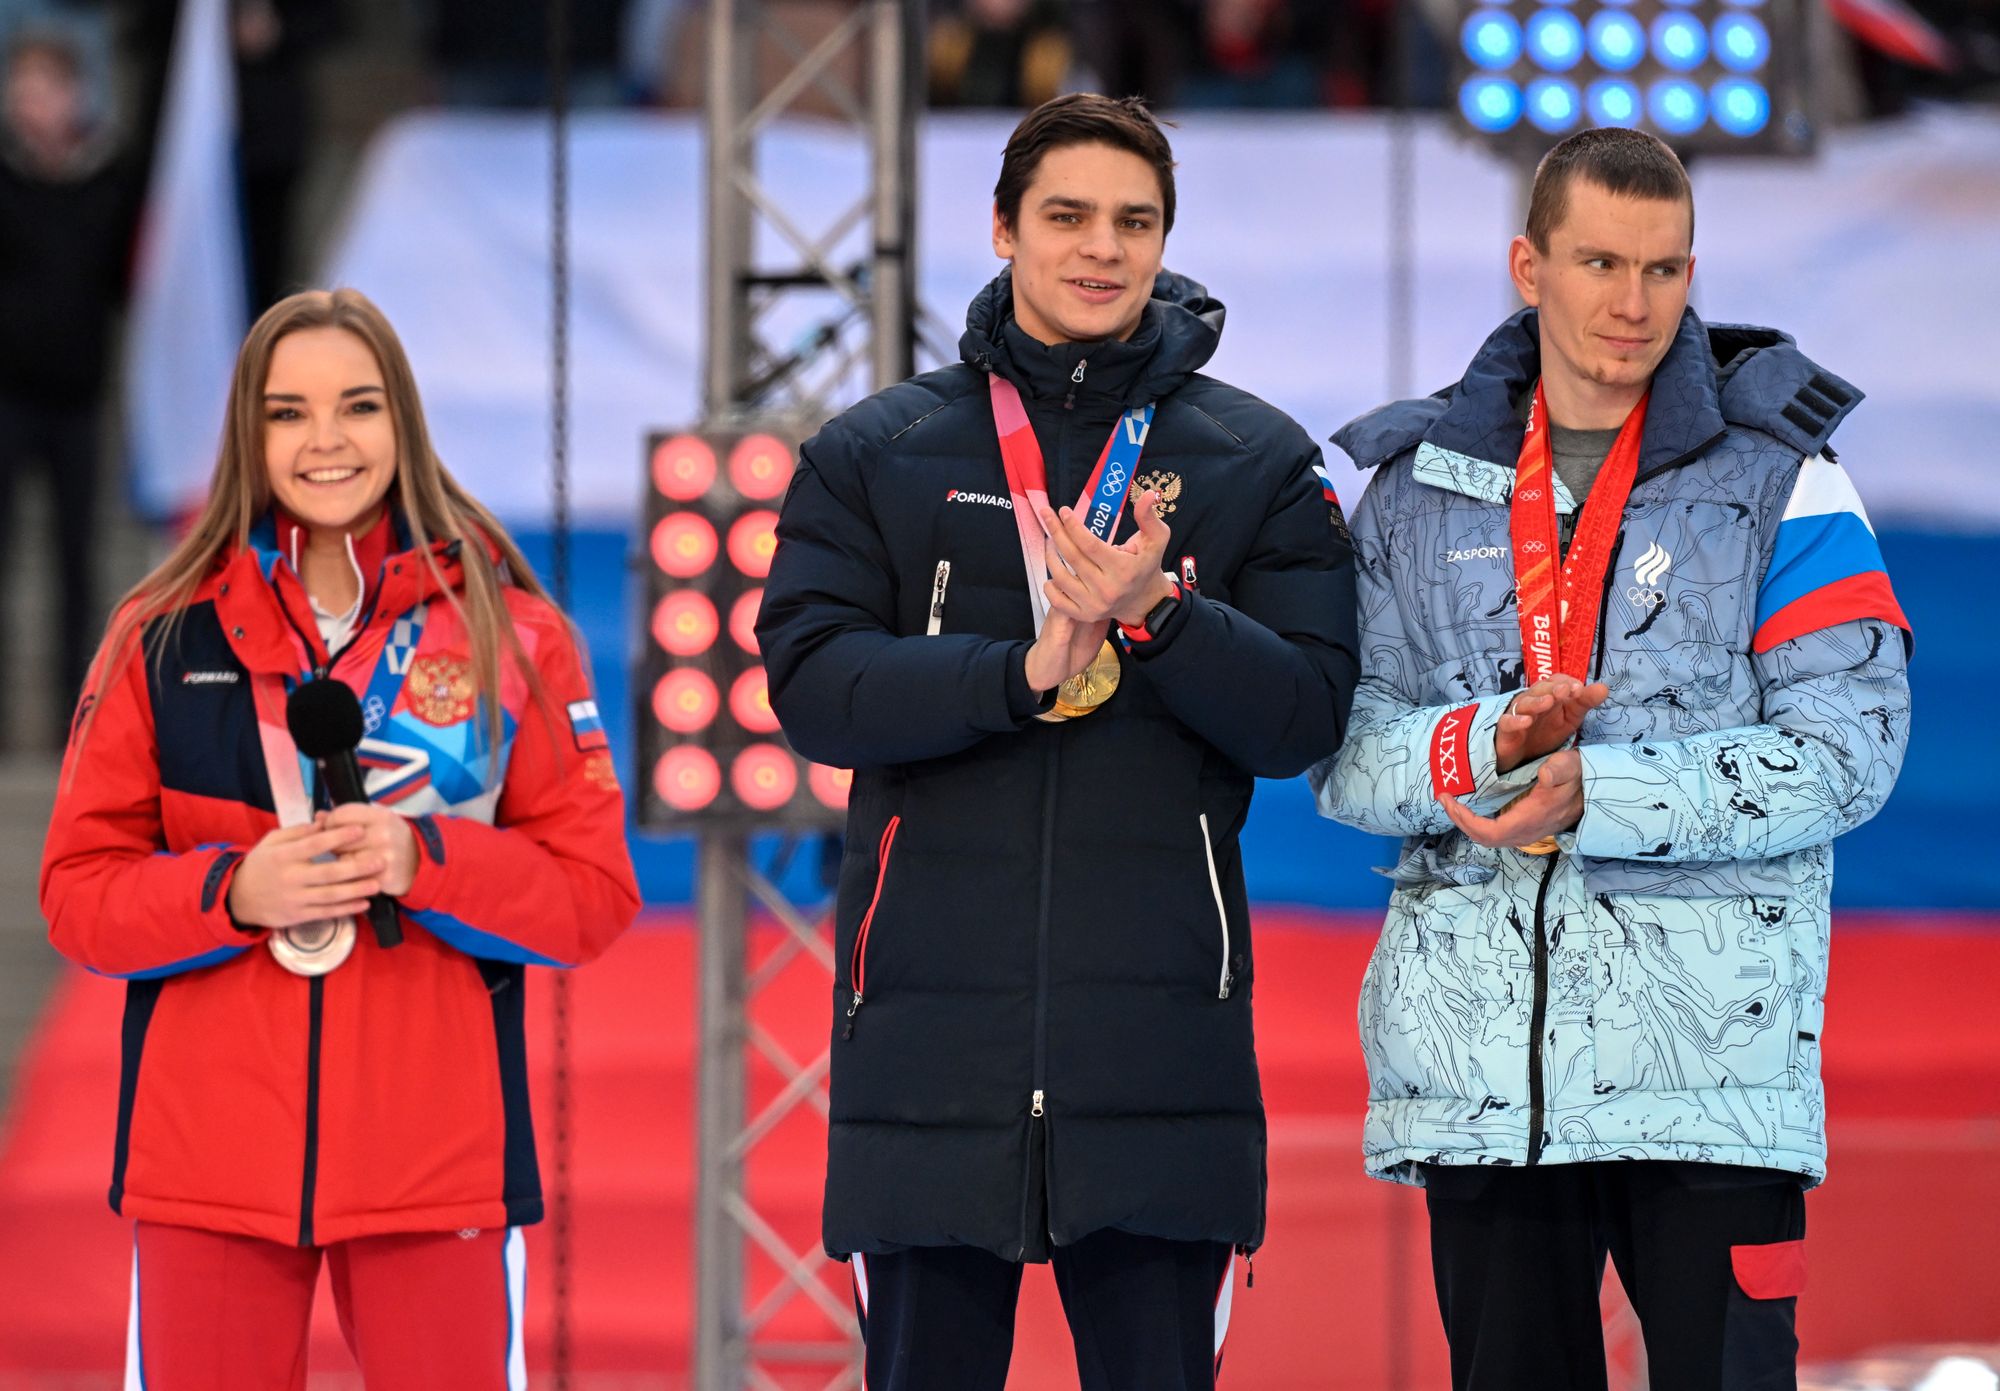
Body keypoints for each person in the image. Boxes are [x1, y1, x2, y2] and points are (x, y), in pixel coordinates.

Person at [758, 92, 1359, 1390]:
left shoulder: (1253, 458)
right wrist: (1017, 671)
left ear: (1166, 240)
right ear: (1001, 228)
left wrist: (1158, 610)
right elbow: (809, 685)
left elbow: (1308, 714)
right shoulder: (879, 451)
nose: (1102, 248)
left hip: (1162, 1060)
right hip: (926, 1050)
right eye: (1068, 216)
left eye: (1133, 221)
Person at [1313, 128, 1911, 1390]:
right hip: (1482, 1088)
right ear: (1527, 266)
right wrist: (1485, 741)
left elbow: (1849, 751)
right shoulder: (1411, 494)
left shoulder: (1786, 485)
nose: (1632, 303)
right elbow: (1344, 760)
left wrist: (1601, 789)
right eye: (1598, 262)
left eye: (1662, 268)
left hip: (1711, 1085)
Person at [40, 289, 640, 1391]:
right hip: (205, 1165)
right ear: (246, 435)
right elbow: (78, 896)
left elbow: (591, 895)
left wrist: (429, 861)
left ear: (400, 424)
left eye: (356, 407)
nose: (325, 441)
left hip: (437, 1164)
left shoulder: (509, 632)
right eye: (288, 412)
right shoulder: (161, 634)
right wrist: (231, 889)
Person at [0, 28, 140, 747]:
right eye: (20, 91)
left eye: (44, 90)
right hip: (8, 399)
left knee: (77, 563)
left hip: (80, 399)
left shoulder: (110, 178)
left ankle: (71, 719)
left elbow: (129, 277)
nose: (31, 106)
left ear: (75, 94)